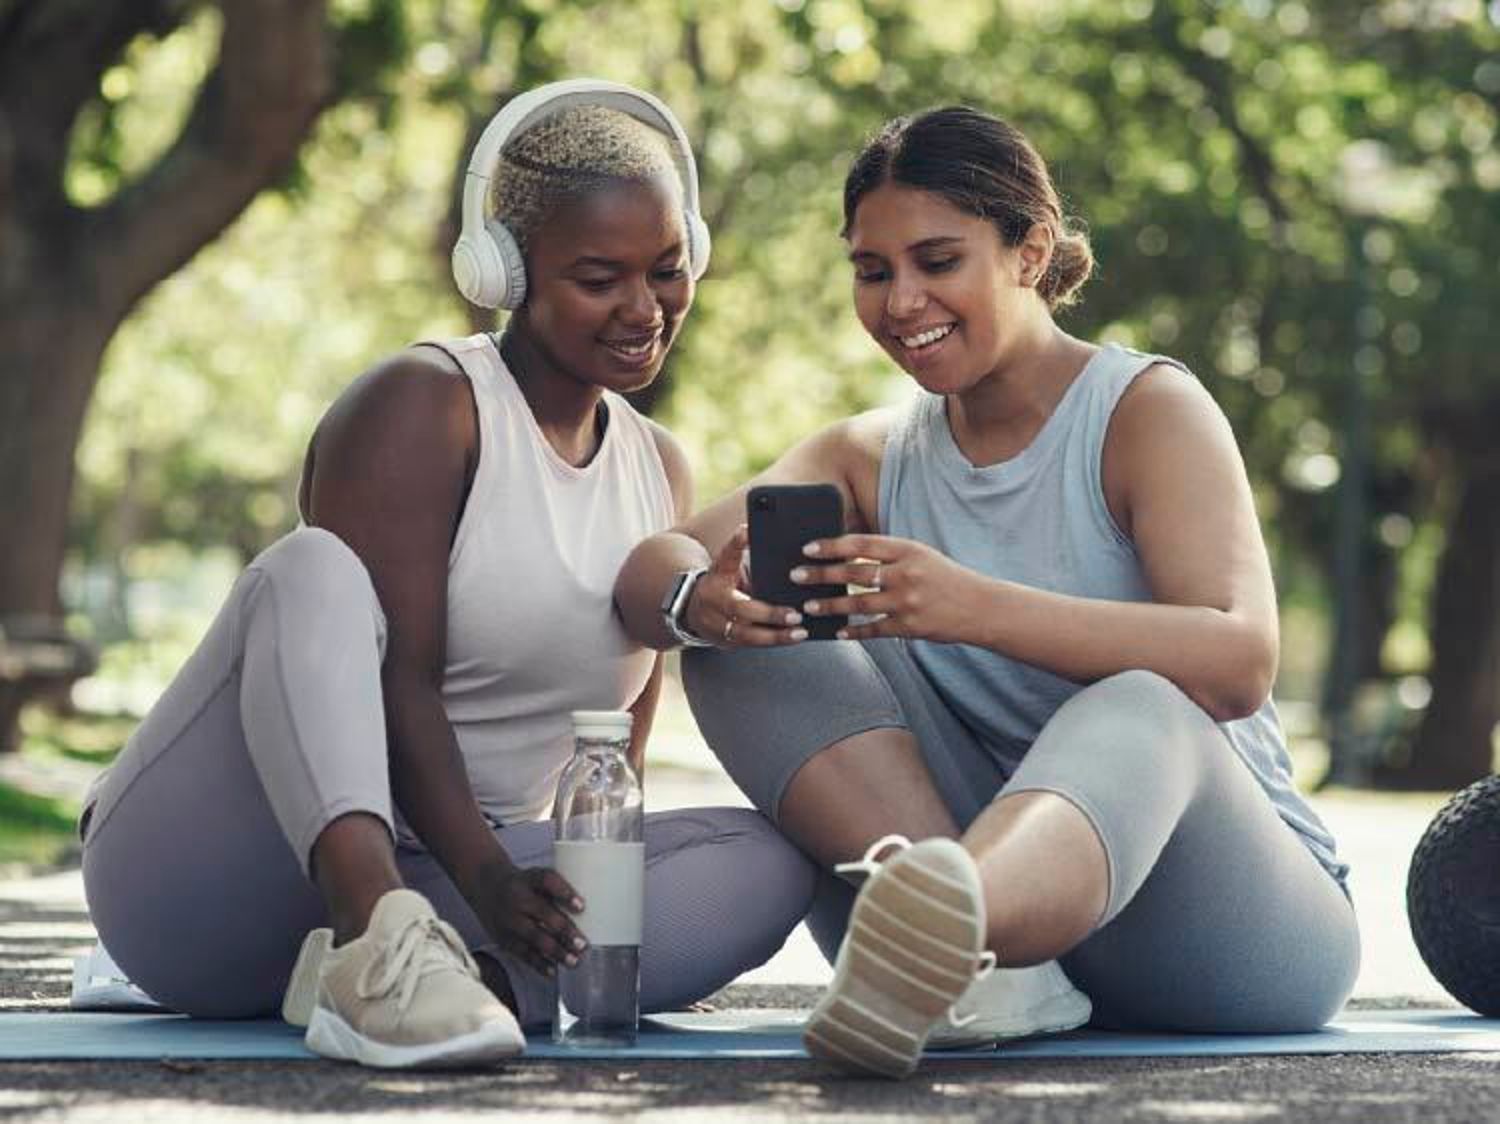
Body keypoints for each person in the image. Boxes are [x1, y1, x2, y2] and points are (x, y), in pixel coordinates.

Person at [78, 80, 816, 1070]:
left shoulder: (658, 464)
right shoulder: (424, 405)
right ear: (504, 271)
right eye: (600, 276)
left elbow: (617, 751)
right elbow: (396, 684)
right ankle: (376, 933)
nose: (646, 308)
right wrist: (484, 875)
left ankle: (452, 983)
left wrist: (552, 885)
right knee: (311, 570)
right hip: (214, 871)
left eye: (668, 269)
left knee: (767, 859)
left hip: (458, 885)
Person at [614, 105, 1360, 1078]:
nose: (901, 299)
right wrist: (698, 603)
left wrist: (969, 604)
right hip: (1016, 956)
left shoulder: (1145, 412)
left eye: (937, 259)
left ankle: (953, 916)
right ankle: (967, 963)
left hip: (1227, 926)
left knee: (1144, 698)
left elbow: (1240, 662)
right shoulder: (866, 454)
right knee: (747, 634)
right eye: (873, 270)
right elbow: (648, 570)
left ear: (1029, 249)